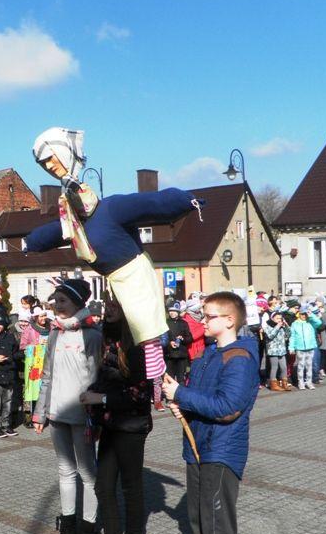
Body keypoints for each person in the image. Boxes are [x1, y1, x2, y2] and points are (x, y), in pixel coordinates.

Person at [27, 127, 203, 381]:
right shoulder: (74, 224)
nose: (49, 166)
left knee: (145, 331)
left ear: (64, 154)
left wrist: (188, 201)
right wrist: (29, 242)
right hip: (112, 283)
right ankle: (128, 380)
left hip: (133, 275)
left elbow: (152, 204)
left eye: (51, 158)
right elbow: (53, 233)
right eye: (43, 164)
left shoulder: (112, 209)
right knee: (117, 337)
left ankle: (154, 381)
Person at [162, 291, 258, 534]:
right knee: (197, 517)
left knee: (217, 522)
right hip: (197, 445)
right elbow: (200, 397)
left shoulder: (239, 357)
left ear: (229, 320)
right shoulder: (207, 355)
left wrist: (182, 395)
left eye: (210, 315)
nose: (203, 320)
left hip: (222, 448)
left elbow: (228, 408)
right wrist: (181, 405)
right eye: (203, 314)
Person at [77, 294, 153, 534]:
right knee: (105, 486)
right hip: (110, 423)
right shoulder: (108, 338)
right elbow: (107, 377)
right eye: (107, 304)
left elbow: (141, 394)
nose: (108, 309)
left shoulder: (137, 345)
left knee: (129, 488)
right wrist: (92, 395)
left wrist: (102, 397)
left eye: (116, 305)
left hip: (130, 426)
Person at [33, 278, 102, 534]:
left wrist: (95, 416)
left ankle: (88, 530)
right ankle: (69, 527)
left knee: (87, 473)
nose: (56, 306)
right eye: (55, 301)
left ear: (77, 303)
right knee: (65, 471)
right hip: (56, 413)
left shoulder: (92, 335)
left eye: (62, 301)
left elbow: (97, 378)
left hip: (82, 415)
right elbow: (47, 375)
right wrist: (40, 413)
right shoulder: (55, 333)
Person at [19, 304, 52, 428]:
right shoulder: (29, 329)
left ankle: (43, 416)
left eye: (45, 315)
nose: (44, 318)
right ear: (36, 317)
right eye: (41, 316)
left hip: (47, 364)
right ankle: (29, 417)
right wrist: (36, 347)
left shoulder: (51, 327)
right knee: (31, 392)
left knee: (45, 390)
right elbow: (22, 346)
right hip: (33, 366)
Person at [289, 303, 322, 390]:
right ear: (299, 314)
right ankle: (301, 382)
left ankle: (309, 382)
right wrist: (291, 347)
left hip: (310, 346)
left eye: (305, 314)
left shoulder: (311, 322)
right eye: (302, 314)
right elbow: (292, 337)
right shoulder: (295, 324)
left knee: (309, 365)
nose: (304, 316)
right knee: (301, 365)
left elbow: (319, 322)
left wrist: (311, 315)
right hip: (300, 348)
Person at [163, 301, 193, 384]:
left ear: (178, 312)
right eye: (170, 311)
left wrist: (182, 338)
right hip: (169, 356)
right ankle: (169, 396)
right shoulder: (165, 323)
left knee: (181, 379)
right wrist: (169, 342)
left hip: (181, 356)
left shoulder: (184, 323)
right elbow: (162, 338)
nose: (172, 313)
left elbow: (190, 338)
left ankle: (180, 395)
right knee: (169, 378)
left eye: (174, 311)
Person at [263, 308, 292, 392]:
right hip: (273, 350)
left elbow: (289, 334)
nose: (279, 320)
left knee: (284, 367)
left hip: (281, 350)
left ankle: (284, 383)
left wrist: (286, 326)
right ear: (272, 318)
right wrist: (277, 326)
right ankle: (273, 384)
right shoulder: (267, 326)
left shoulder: (282, 327)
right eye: (277, 318)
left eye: (280, 318)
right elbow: (270, 335)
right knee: (274, 367)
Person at [183, 297, 206, 363]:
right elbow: (192, 335)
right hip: (193, 349)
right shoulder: (187, 318)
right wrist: (204, 327)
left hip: (201, 346)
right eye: (197, 306)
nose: (199, 308)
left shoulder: (199, 316)